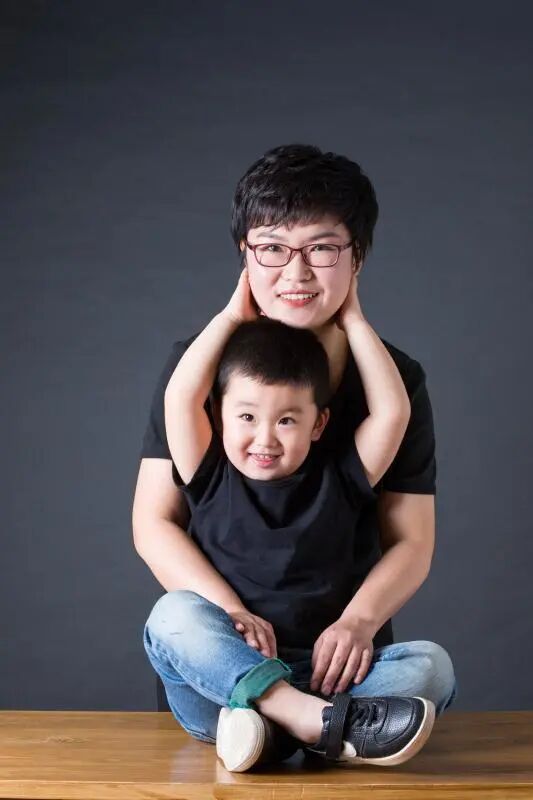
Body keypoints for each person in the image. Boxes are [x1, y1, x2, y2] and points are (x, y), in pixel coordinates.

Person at [133, 143, 457, 771]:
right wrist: (230, 613)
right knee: (174, 619)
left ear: (356, 256)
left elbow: (412, 541)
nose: (297, 272)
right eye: (273, 249)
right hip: (230, 662)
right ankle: (309, 721)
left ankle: (282, 728)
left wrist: (359, 622)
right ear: (245, 255)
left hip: (338, 667)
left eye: (323, 249)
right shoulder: (198, 372)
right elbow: (153, 523)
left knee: (429, 670)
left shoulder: (394, 382)